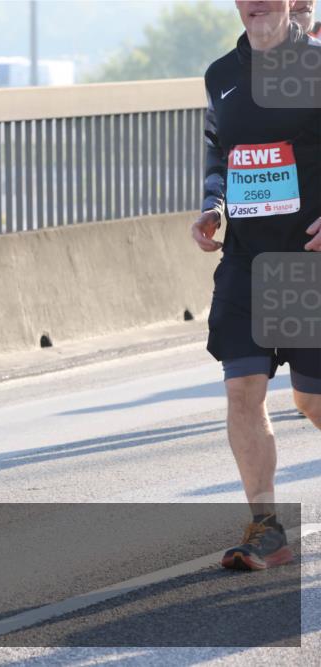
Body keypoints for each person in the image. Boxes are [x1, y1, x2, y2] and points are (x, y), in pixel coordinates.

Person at [193, 0, 321, 570]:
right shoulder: (222, 74)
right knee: (242, 388)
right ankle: (267, 528)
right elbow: (220, 150)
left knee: (313, 400)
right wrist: (212, 204)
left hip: (304, 263)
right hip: (246, 260)